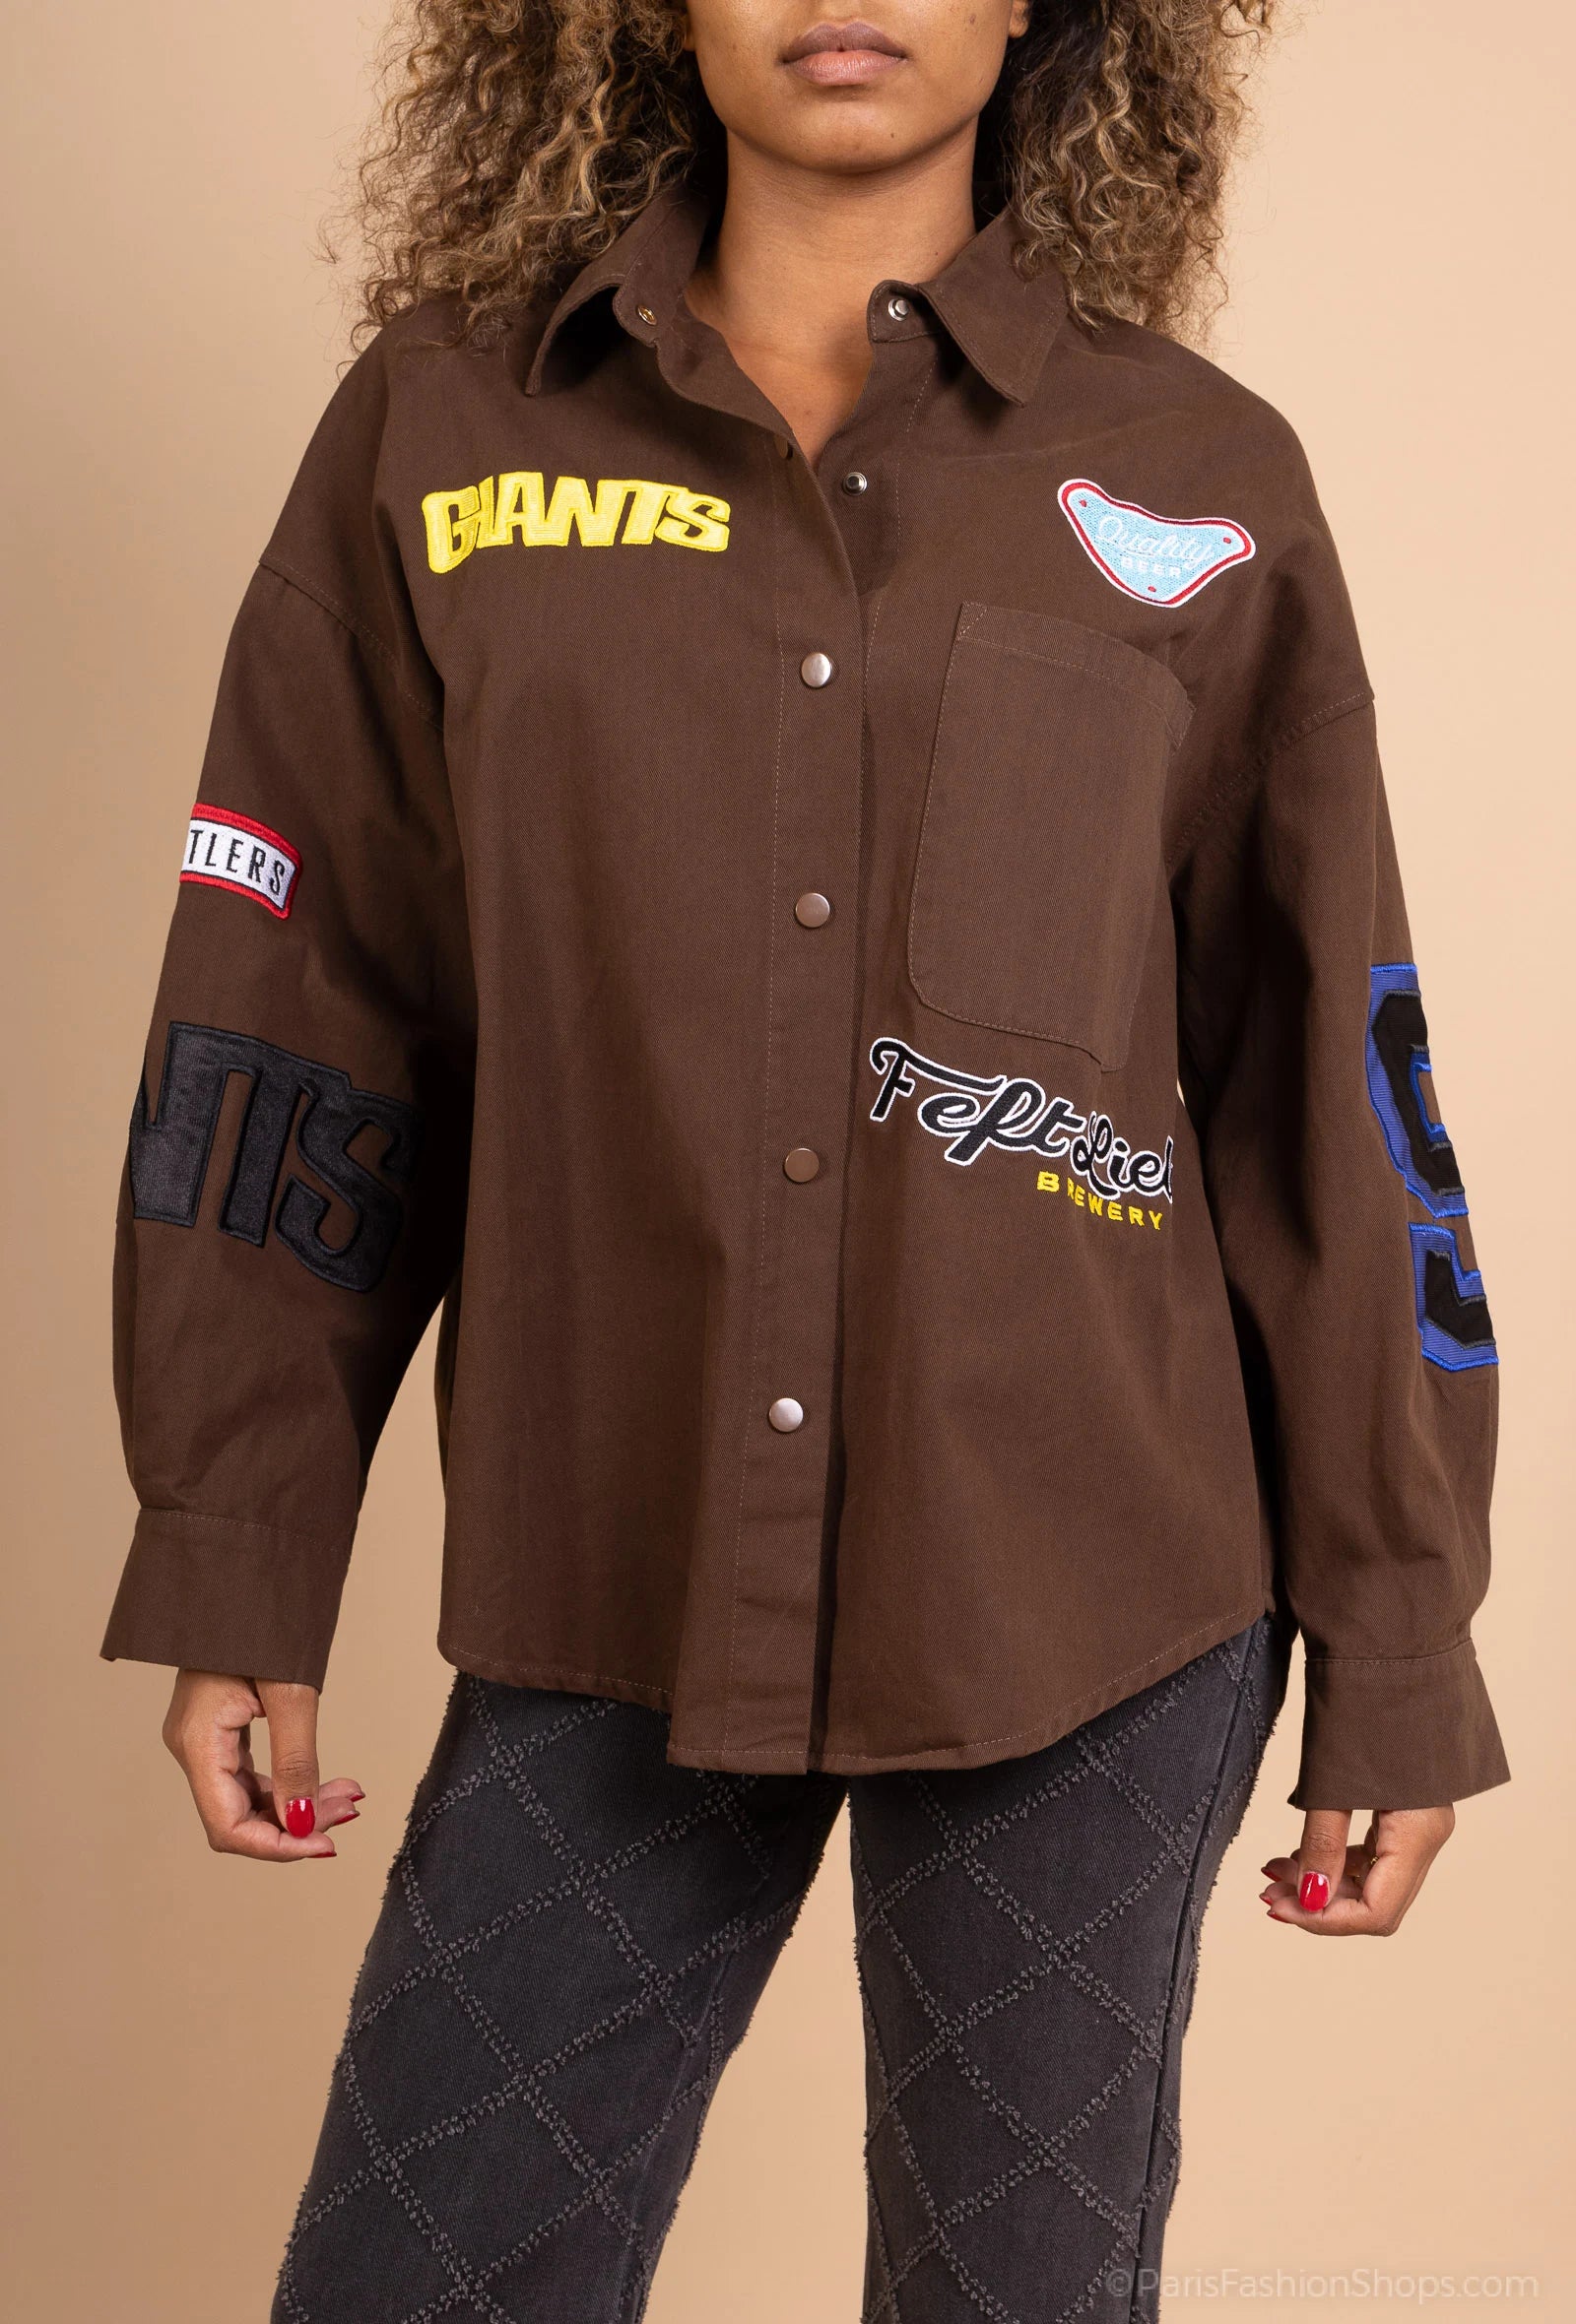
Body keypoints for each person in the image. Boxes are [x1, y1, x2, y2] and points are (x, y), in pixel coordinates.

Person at [102, 1, 1509, 2315]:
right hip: (610, 1556)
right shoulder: (445, 433)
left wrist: (1398, 1636)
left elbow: (1327, 1095)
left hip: (1091, 1602)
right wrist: (237, 1542)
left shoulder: (1196, 471)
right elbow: (302, 1000)